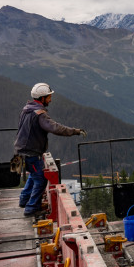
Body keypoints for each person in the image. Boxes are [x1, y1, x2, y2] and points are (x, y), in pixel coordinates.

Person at [15, 82, 86, 216]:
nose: (50, 100)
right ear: (42, 98)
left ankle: (24, 200)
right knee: (41, 179)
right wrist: (74, 131)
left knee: (34, 175)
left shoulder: (26, 109)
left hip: (21, 151)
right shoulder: (39, 114)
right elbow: (55, 128)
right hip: (31, 152)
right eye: (48, 97)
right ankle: (31, 209)